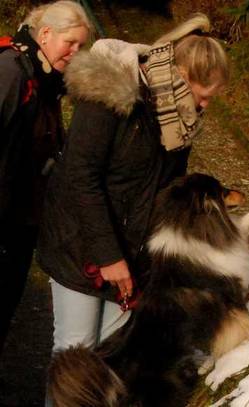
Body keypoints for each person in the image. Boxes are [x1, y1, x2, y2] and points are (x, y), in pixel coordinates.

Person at [36, 13, 229, 352]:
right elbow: (81, 177)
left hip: (132, 259)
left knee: (114, 352)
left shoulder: (178, 121)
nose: (205, 105)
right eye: (204, 95)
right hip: (79, 247)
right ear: (182, 77)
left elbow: (165, 193)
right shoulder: (109, 95)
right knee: (76, 352)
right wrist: (109, 257)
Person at [0, 0, 91, 358]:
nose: (76, 52)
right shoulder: (11, 72)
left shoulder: (46, 81)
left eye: (82, 45)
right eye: (70, 42)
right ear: (46, 34)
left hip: (19, 224)